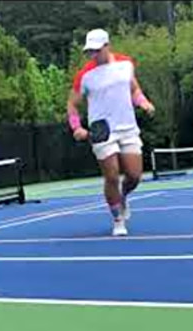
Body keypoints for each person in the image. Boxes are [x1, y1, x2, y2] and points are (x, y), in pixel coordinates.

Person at [67, 28, 155, 236]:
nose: (92, 55)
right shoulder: (84, 76)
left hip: (128, 128)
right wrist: (76, 127)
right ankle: (117, 220)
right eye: (89, 51)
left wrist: (144, 103)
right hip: (102, 133)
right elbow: (72, 104)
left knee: (134, 176)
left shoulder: (126, 64)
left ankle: (123, 196)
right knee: (112, 175)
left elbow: (134, 89)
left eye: (96, 50)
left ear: (107, 46)